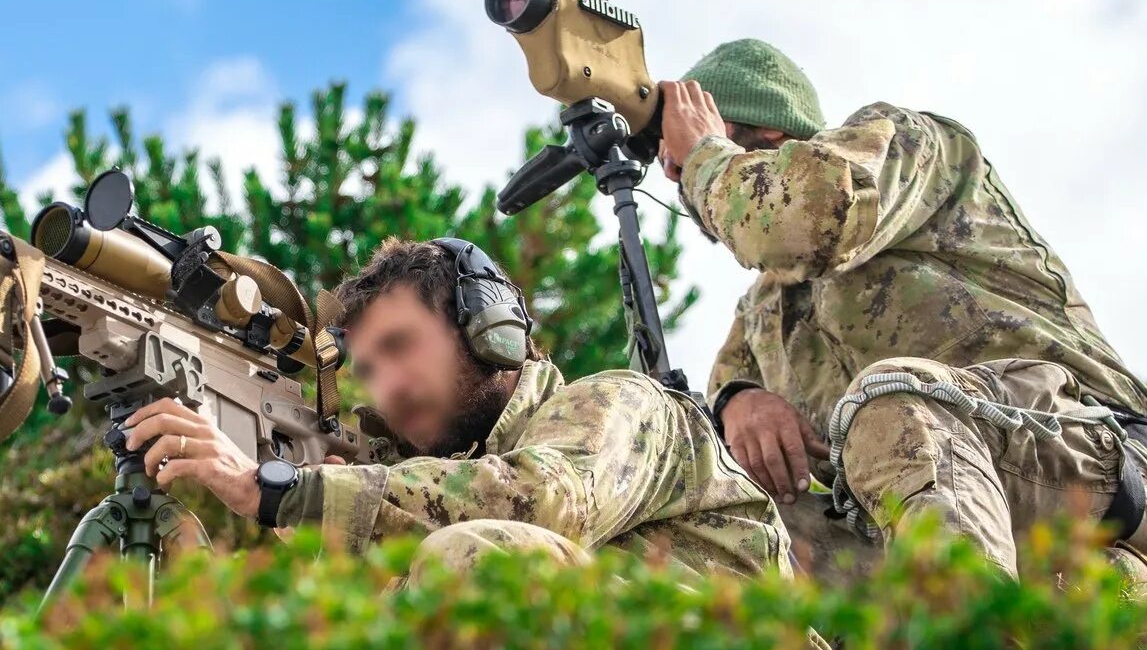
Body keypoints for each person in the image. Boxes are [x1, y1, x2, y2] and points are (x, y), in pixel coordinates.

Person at [656, 38, 1147, 581]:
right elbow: (713, 442)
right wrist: (737, 402)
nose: (676, 176)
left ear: (769, 137)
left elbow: (806, 221)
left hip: (1086, 465)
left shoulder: (905, 150)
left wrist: (704, 152)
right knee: (725, 529)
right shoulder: (763, 312)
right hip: (913, 530)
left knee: (889, 397)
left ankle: (966, 644)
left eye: (692, 150)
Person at [123, 236, 792, 581]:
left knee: (477, 556)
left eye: (401, 346)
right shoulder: (435, 479)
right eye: (368, 371)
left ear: (489, 330)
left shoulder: (618, 401)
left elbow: (541, 500)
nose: (386, 388)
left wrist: (281, 490)